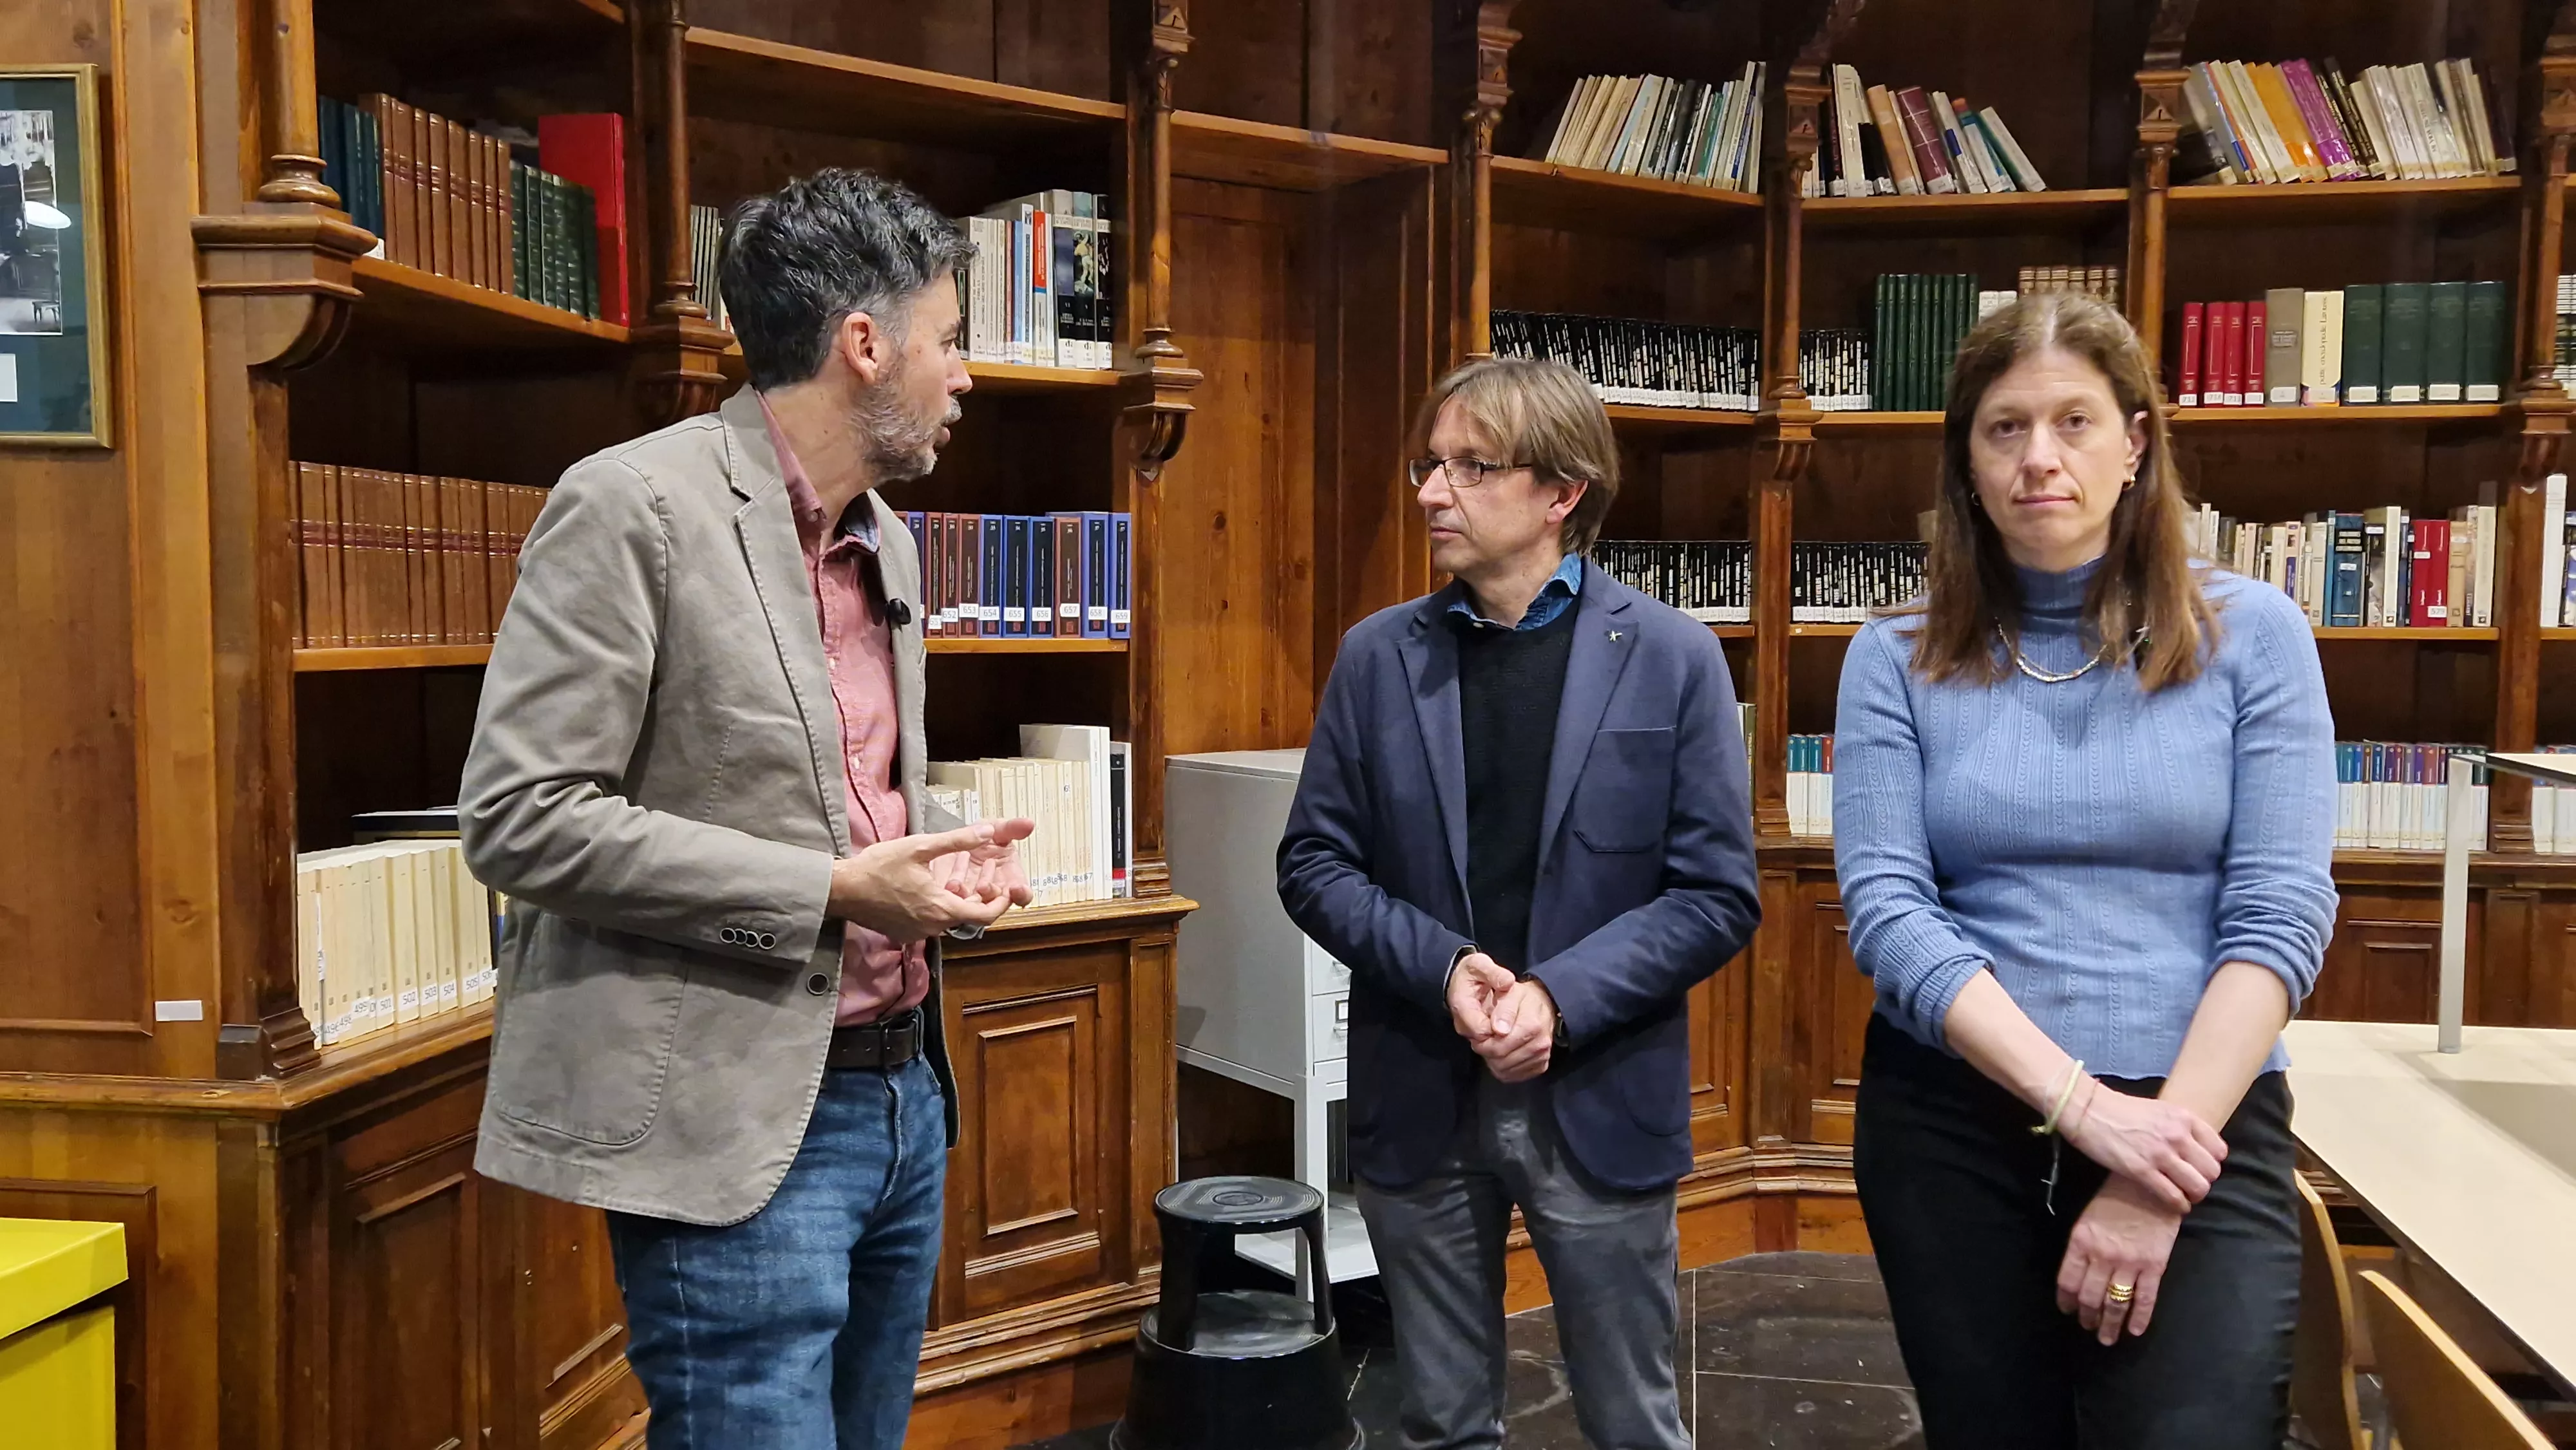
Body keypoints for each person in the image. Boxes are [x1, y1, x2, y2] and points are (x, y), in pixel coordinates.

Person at [459, 168, 1035, 1449]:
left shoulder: (883, 538)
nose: (963, 375)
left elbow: (831, 790)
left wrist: (937, 867)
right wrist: (835, 891)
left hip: (904, 1099)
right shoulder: (630, 506)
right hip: (736, 1119)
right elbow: (520, 815)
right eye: (948, 341)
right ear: (864, 346)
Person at [1835, 292, 2338, 1449]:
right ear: (1965, 456)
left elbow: (2279, 913)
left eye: (2074, 421)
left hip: (2197, 1122)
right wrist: (2080, 1109)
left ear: (2137, 443)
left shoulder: (2255, 634)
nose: (2039, 459)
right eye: (2004, 428)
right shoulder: (1893, 655)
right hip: (1956, 1124)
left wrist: (2151, 1156)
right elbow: (1892, 919)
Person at [1278, 355, 1762, 1450]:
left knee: (1633, 1421)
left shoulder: (1675, 660)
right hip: (1419, 1088)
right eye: (1428, 464)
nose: (1430, 493)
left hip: (1597, 1090)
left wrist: (1557, 998)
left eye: (1470, 467)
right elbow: (1313, 862)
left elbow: (1716, 895)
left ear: (1562, 493)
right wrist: (1446, 968)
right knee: (1442, 1421)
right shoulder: (1375, 658)